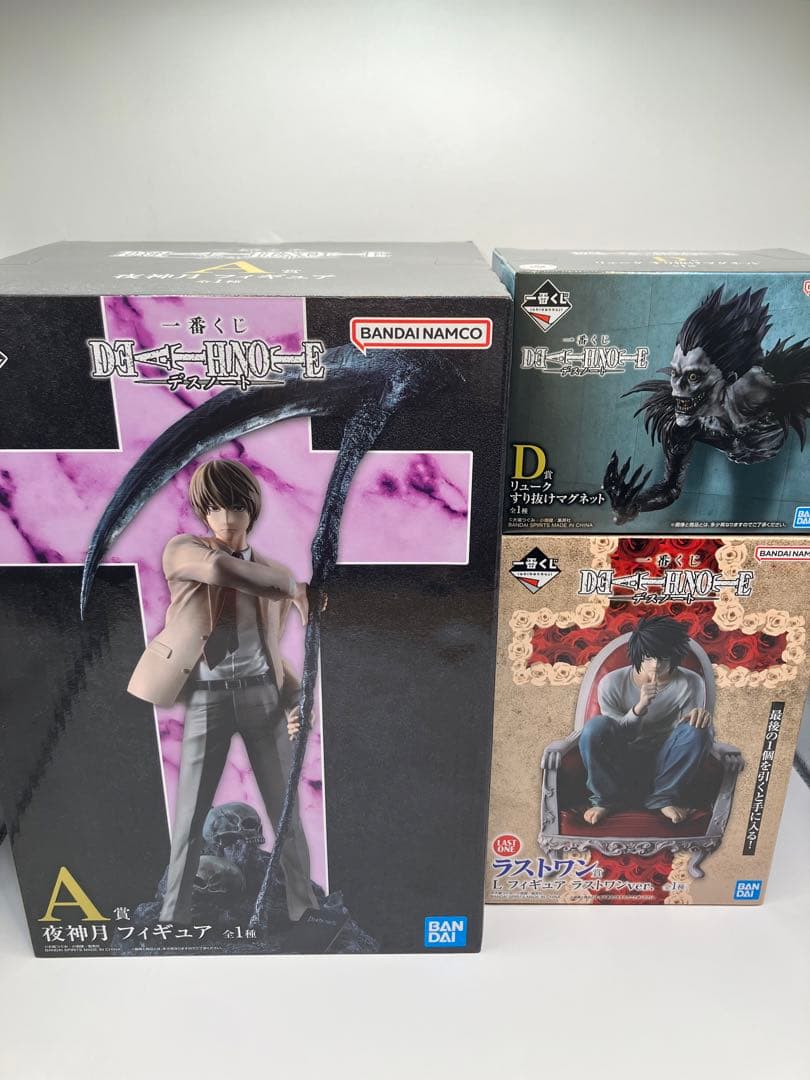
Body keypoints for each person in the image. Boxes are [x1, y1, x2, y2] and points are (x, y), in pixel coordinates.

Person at [127, 457, 318, 923]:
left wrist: (296, 698)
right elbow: (219, 569)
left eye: (235, 506)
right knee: (190, 816)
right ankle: (173, 915)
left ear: (251, 509)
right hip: (207, 696)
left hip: (262, 697)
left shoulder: (269, 572)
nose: (225, 518)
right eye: (213, 508)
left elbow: (270, 650)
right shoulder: (184, 551)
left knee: (287, 812)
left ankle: (305, 909)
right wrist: (293, 587)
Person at [579, 615, 712, 827]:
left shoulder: (690, 682)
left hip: (664, 760)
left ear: (675, 656)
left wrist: (698, 719)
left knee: (699, 729)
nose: (656, 665)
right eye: (649, 658)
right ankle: (606, 800)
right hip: (621, 759)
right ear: (637, 654)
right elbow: (618, 733)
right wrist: (639, 708)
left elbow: (686, 736)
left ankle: (663, 798)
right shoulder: (612, 682)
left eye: (664, 659)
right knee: (596, 726)